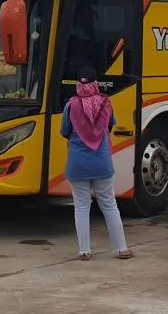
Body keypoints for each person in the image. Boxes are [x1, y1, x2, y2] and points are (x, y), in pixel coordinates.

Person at [60, 66, 132, 260]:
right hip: (101, 162)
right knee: (109, 204)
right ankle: (122, 248)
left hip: (78, 163)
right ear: (95, 83)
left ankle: (84, 251)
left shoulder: (70, 106)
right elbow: (110, 125)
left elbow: (65, 131)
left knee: (81, 206)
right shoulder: (106, 103)